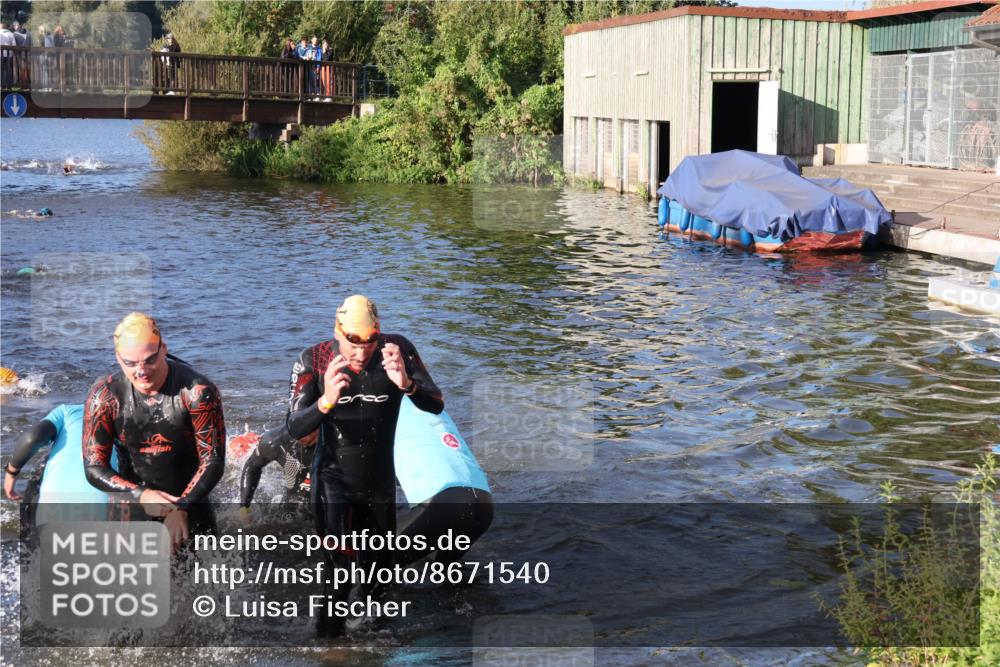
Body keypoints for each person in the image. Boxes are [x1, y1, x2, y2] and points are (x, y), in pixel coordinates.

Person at [287, 295, 443, 636]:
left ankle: (377, 652)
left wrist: (408, 385)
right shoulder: (313, 359)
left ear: (379, 333)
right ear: (337, 332)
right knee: (338, 580)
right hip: (332, 481)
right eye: (352, 343)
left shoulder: (396, 350)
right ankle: (329, 651)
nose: (361, 353)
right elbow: (295, 427)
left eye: (370, 342)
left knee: (379, 586)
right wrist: (326, 401)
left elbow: (436, 403)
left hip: (379, 485)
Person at [83, 312, 226, 551]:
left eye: (149, 360)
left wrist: (181, 507)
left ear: (163, 350)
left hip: (189, 500)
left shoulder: (198, 392)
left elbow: (213, 460)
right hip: (132, 501)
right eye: (130, 363)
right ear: (118, 358)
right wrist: (142, 495)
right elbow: (94, 467)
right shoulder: (105, 396)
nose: (141, 371)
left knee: (205, 581)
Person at [239, 426, 316, 508]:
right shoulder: (274, 441)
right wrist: (244, 507)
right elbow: (252, 466)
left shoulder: (329, 439)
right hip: (294, 502)